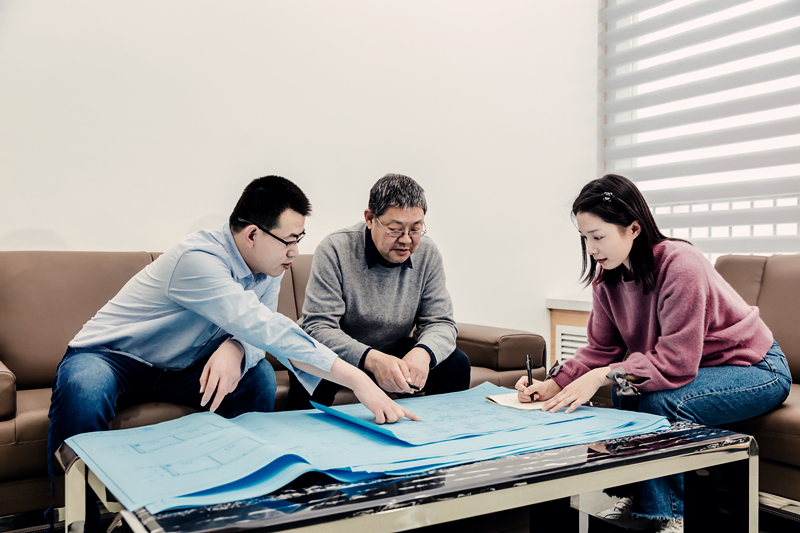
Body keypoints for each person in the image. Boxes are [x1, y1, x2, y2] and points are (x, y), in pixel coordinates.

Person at [47, 176, 418, 529]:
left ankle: (241, 504)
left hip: (182, 367)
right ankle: (74, 521)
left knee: (257, 377)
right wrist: (358, 380)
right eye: (289, 241)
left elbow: (257, 331)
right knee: (84, 384)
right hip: (114, 358)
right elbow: (269, 329)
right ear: (253, 234)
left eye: (299, 239)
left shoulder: (269, 268)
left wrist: (237, 346)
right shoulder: (198, 259)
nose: (295, 251)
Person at [515, 174, 791, 533]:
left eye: (598, 236)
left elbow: (677, 362)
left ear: (634, 228)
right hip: (701, 369)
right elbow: (602, 348)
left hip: (756, 367)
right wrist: (553, 384)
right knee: (626, 387)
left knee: (659, 400)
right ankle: (639, 500)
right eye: (584, 238)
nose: (592, 248)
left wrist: (602, 375)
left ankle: (670, 514)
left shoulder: (681, 265)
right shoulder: (606, 278)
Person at [287, 173, 471, 409]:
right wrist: (372, 359)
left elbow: (441, 322)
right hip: (338, 353)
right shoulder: (335, 249)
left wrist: (423, 352)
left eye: (416, 229)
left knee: (456, 363)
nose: (406, 240)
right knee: (309, 366)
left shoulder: (427, 253)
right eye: (395, 229)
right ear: (370, 218)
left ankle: (438, 428)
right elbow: (318, 327)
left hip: (394, 350)